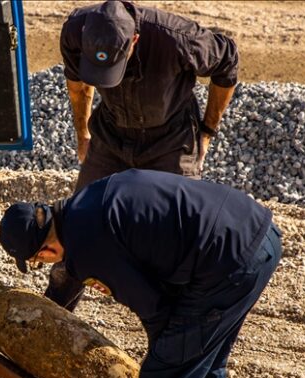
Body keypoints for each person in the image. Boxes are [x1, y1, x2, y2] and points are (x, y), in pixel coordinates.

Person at [0, 169, 282, 378]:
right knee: (201, 366)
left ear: (45, 251)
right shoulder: (89, 198)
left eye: (35, 262)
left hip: (227, 263)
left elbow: (154, 307)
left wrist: (164, 355)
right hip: (257, 233)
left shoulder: (86, 249)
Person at [48, 0, 239, 311]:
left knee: (181, 239)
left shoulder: (177, 38)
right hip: (110, 136)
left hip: (170, 141)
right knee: (77, 226)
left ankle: (181, 339)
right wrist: (82, 133)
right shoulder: (74, 30)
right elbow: (78, 85)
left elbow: (228, 59)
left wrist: (207, 131)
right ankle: (54, 315)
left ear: (133, 41)